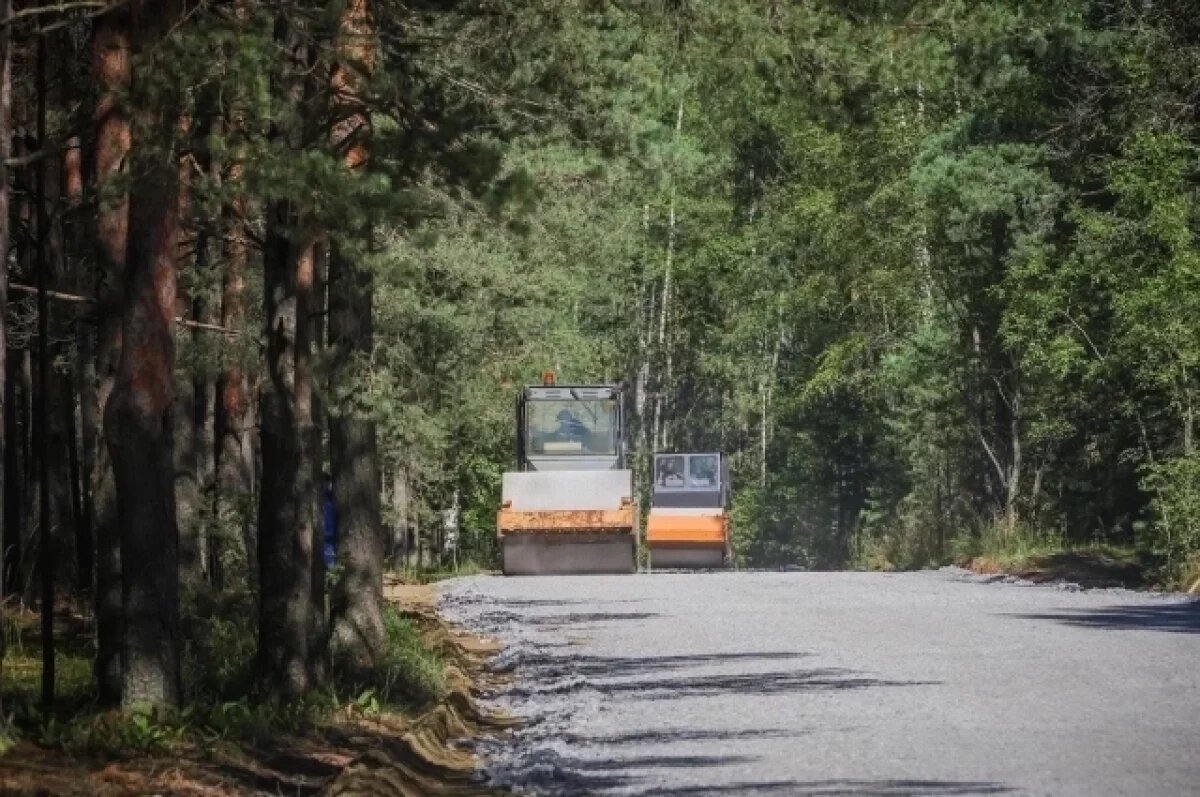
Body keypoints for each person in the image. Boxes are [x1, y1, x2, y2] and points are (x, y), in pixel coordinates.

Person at [321, 473, 337, 569]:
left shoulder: (332, 498)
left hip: (331, 540)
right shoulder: (316, 499)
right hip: (322, 539)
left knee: (330, 567)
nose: (325, 485)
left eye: (327, 482)